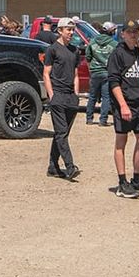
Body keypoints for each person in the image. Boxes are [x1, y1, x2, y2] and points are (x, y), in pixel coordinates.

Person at [108, 21, 139, 198]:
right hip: (124, 103)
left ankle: (137, 178)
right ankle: (122, 182)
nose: (133, 35)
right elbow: (114, 82)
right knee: (122, 141)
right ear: (123, 34)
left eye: (135, 32)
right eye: (129, 32)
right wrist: (123, 105)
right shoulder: (117, 54)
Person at [42, 19, 82, 181]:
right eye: (68, 29)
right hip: (58, 95)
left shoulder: (75, 50)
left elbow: (76, 74)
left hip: (71, 96)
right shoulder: (52, 50)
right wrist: (52, 95)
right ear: (60, 31)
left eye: (72, 30)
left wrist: (76, 94)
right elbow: (46, 74)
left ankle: (53, 166)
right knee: (61, 133)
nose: (71, 33)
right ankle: (70, 166)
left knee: (62, 133)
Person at [85, 22, 118, 125]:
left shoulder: (93, 42)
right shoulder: (114, 44)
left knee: (92, 96)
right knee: (106, 97)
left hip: (95, 72)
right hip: (107, 73)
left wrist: (91, 70)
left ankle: (89, 118)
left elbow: (88, 57)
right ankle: (103, 120)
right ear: (111, 31)